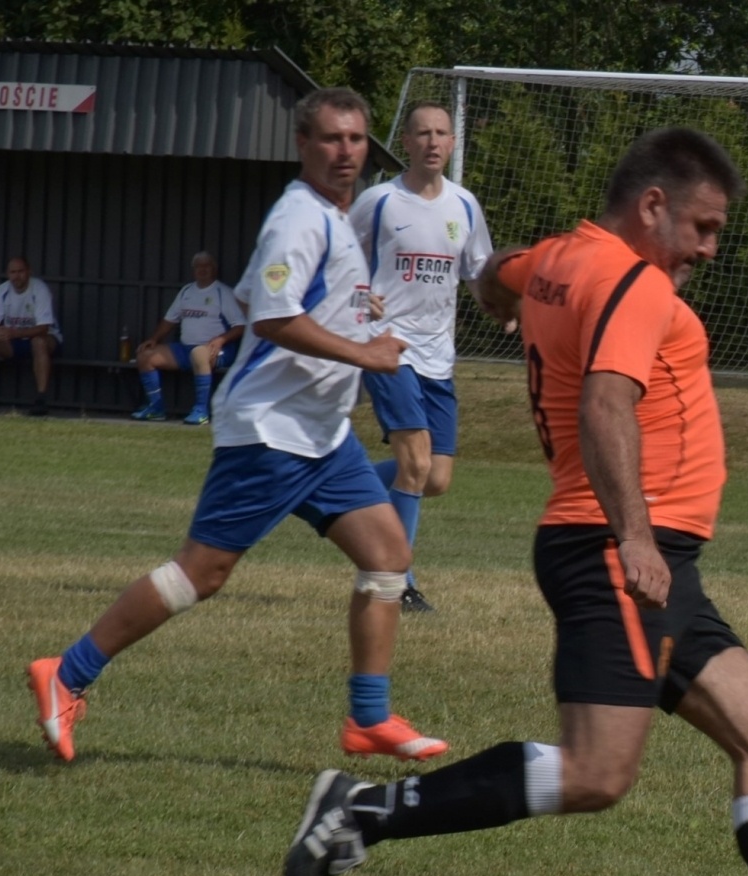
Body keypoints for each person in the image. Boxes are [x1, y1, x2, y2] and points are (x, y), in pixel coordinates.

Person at [280, 127, 748, 876]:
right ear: (651, 206)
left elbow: (497, 281)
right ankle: (361, 815)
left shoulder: (559, 258)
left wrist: (502, 292)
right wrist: (633, 536)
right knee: (599, 775)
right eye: (703, 228)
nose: (709, 251)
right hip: (616, 551)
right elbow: (606, 402)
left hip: (651, 558)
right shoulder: (636, 282)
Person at [26, 88, 448, 765]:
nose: (346, 152)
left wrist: (356, 314)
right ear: (302, 146)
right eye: (332, 140)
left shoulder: (334, 219)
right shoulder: (300, 218)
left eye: (357, 139)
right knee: (203, 572)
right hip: (272, 429)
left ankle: (369, 717)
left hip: (321, 431)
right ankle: (67, 673)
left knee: (389, 555)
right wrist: (365, 351)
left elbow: (257, 292)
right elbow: (274, 318)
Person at [350, 100, 494, 613]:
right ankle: (398, 581)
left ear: (453, 143)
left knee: (434, 477)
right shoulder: (379, 202)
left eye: (442, 133)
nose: (433, 142)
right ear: (405, 143)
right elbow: (335, 261)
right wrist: (356, 298)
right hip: (388, 348)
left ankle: (343, 479)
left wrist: (506, 308)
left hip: (440, 355)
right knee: (413, 462)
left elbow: (478, 273)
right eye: (422, 133)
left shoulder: (465, 206)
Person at [131, 252, 246, 425]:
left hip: (217, 350)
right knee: (145, 355)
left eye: (206, 265)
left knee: (199, 353)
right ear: (193, 270)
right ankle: (156, 408)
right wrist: (154, 339)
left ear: (214, 269)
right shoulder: (186, 291)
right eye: (198, 266)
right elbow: (170, 319)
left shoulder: (223, 292)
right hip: (186, 349)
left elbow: (241, 326)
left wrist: (221, 339)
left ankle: (201, 411)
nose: (202, 269)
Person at [0, 257, 61, 416]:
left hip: (46, 339)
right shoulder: (2, 290)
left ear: (29, 271)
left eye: (20, 271)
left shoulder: (39, 289)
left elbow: (44, 328)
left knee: (38, 342)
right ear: (8, 274)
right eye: (13, 272)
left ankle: (41, 399)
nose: (17, 276)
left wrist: (16, 333)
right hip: (14, 342)